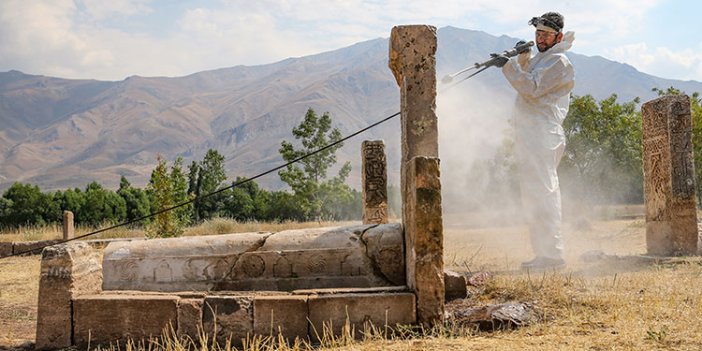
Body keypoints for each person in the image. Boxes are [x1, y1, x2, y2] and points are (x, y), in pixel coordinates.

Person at [491, 12, 575, 269]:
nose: (540, 38)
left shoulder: (559, 61)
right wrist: (523, 58)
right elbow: (530, 75)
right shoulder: (543, 59)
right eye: (538, 34)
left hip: (543, 133)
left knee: (544, 192)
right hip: (531, 134)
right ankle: (543, 253)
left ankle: (552, 255)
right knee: (533, 195)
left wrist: (509, 65)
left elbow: (532, 88)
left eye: (546, 35)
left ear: (558, 37)